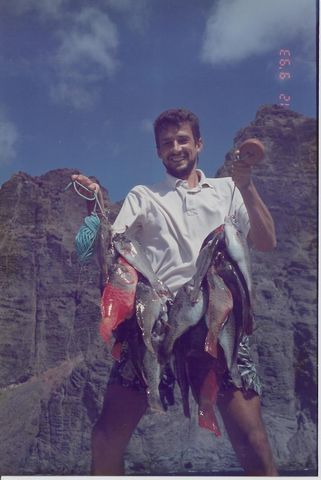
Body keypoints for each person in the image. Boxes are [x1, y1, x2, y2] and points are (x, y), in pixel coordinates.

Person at [71, 108, 278, 476]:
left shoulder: (228, 190)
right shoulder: (143, 196)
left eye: (183, 139)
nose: (176, 147)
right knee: (105, 438)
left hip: (220, 318)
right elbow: (113, 246)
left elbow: (265, 241)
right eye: (167, 143)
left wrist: (246, 184)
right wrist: (95, 205)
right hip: (157, 324)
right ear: (158, 152)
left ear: (198, 143)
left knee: (254, 442)